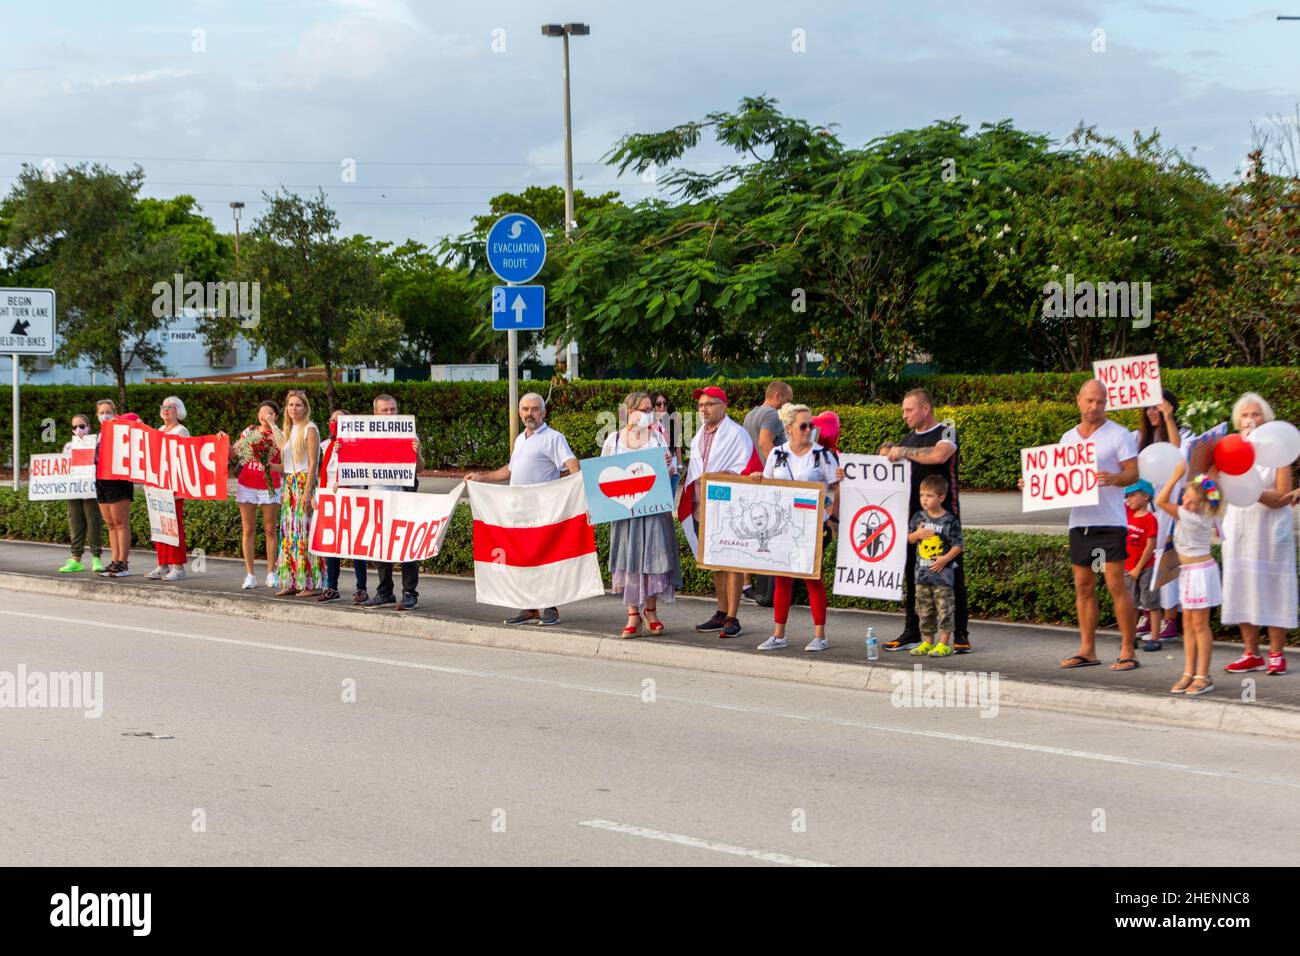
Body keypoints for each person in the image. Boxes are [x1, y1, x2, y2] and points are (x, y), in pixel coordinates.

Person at [1043, 380, 1141, 671]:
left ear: (1106, 403)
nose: (1094, 406)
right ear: (1078, 401)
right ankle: (1087, 649)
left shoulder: (1119, 435)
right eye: (1089, 401)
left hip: (1110, 521)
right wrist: (1035, 484)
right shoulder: (1067, 438)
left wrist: (1115, 478)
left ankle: (1127, 650)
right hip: (1080, 523)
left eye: (1099, 401)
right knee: (1083, 586)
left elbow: (1133, 472)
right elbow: (1054, 478)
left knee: (1115, 585)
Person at [466, 392, 580, 626]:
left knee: (545, 558)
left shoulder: (553, 438)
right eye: (525, 409)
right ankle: (529, 608)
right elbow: (510, 470)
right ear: (519, 412)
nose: (530, 413)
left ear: (543, 412)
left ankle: (550, 606)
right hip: (519, 512)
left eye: (535, 409)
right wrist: (482, 477)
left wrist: (576, 486)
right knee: (524, 559)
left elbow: (570, 463)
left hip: (543, 512)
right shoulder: (521, 439)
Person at [877, 388, 972, 653]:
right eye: (903, 410)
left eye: (909, 410)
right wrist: (886, 453)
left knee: (951, 574)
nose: (904, 415)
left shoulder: (948, 431)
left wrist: (901, 451)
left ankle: (960, 634)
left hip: (944, 518)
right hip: (913, 520)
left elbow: (939, 455)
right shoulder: (907, 438)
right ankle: (912, 631)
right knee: (912, 575)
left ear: (925, 409)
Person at [752, 403, 840, 652]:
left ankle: (820, 635)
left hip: (813, 524)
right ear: (789, 428)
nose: (810, 429)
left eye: (812, 425)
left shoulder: (822, 454)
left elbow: (838, 483)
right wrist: (758, 479)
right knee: (782, 578)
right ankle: (779, 634)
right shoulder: (777, 453)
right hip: (783, 524)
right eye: (804, 425)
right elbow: (767, 483)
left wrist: (834, 516)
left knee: (812, 578)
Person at [1221, 393, 1296, 676]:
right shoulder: (1230, 449)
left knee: (1274, 587)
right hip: (1239, 528)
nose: (1250, 419)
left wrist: (1251, 492)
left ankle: (1276, 653)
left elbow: (1282, 494)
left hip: (1269, 530)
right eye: (1244, 414)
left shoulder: (1278, 449)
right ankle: (1250, 653)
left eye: (1256, 414)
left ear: (1266, 419)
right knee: (1243, 585)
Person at [681, 385, 761, 638]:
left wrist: (722, 476)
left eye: (709, 404)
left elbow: (750, 468)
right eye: (701, 405)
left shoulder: (737, 434)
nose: (703, 409)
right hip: (703, 508)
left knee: (733, 562)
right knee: (715, 562)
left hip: (730, 507)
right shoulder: (697, 436)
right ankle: (721, 611)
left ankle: (733, 617)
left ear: (723, 406)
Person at [602, 392, 682, 637]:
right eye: (645, 409)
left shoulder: (656, 438)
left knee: (653, 557)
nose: (649, 414)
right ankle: (632, 614)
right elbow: (603, 474)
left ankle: (650, 610)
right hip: (625, 512)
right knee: (629, 558)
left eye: (651, 410)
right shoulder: (614, 440)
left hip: (653, 510)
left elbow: (669, 474)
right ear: (630, 410)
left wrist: (668, 463)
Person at [1155, 463, 1223, 696]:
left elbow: (1161, 501)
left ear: (1203, 504)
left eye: (1192, 500)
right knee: (1188, 625)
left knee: (1199, 625)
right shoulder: (1198, 512)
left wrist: (1174, 478)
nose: (1186, 503)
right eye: (1185, 498)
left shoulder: (1196, 517)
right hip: (1189, 573)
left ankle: (1203, 675)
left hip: (1200, 573)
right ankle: (1189, 672)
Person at [1132, 391, 1189, 641]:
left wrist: (1168, 419)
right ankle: (1149, 612)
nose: (1152, 412)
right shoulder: (1139, 438)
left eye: (1158, 407)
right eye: (1149, 408)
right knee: (1145, 560)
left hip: (1170, 505)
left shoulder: (1182, 434)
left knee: (1166, 558)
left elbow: (1178, 453)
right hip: (1147, 506)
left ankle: (1170, 618)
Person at [360, 394, 423, 611]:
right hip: (376, 498)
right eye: (385, 410)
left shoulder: (409, 433)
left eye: (393, 410)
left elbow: (420, 468)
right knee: (381, 546)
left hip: (402, 497)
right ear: (375, 413)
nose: (390, 414)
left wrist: (417, 453)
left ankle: (409, 593)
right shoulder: (365, 436)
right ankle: (385, 592)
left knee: (407, 545)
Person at [741, 381, 792, 604]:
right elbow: (764, 443)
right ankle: (765, 589)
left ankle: (747, 585)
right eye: (788, 401)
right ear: (778, 396)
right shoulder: (772, 414)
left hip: (751, 476)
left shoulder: (751, 414)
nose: (787, 407)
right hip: (766, 480)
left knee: (753, 532)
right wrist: (780, 468)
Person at [904, 474, 964, 657]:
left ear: (941, 497)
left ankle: (944, 643)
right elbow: (908, 538)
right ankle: (927, 642)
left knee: (944, 609)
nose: (924, 499)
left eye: (929, 496)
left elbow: (958, 545)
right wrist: (917, 535)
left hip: (942, 576)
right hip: (921, 575)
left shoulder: (949, 520)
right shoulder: (918, 517)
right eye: (922, 495)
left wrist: (945, 559)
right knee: (924, 610)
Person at [272, 389, 324, 597]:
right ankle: (292, 579)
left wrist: (307, 491)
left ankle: (310, 582)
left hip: (303, 482)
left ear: (305, 407)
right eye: (290, 405)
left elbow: (313, 463)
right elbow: (286, 465)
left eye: (298, 405)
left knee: (304, 532)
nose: (294, 408)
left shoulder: (309, 429)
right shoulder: (289, 430)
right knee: (289, 534)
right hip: (289, 484)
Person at [315, 408, 369, 604]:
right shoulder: (327, 445)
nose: (336, 424)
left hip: (351, 497)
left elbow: (363, 471)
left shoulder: (358, 444)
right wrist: (318, 494)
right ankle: (332, 587)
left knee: (355, 546)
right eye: (333, 420)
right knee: (332, 546)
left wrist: (347, 453)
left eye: (341, 421)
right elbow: (324, 474)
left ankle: (361, 588)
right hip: (330, 499)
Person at [234, 400, 282, 590]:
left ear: (275, 416)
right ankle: (250, 574)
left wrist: (272, 425)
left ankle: (271, 572)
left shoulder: (279, 432)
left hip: (269, 485)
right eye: (262, 413)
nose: (265, 416)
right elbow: (237, 450)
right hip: (247, 483)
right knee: (248, 529)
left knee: (270, 529)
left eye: (269, 413)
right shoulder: (250, 431)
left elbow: (283, 446)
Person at [142, 396, 191, 581]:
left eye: (171, 407)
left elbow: (184, 459)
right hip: (158, 485)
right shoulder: (160, 430)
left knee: (173, 526)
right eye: (164, 406)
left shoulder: (181, 431)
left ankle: (178, 567)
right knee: (159, 525)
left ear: (178, 411)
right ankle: (162, 564)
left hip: (173, 487)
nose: (166, 410)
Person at [57, 413, 104, 574]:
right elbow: (62, 466)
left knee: (93, 522)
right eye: (75, 427)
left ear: (89, 427)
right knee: (75, 523)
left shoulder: (96, 444)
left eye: (82, 426)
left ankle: (96, 558)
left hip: (90, 488)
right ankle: (76, 558)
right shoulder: (68, 446)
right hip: (73, 489)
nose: (78, 429)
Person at [93, 400, 135, 578]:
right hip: (101, 480)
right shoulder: (97, 435)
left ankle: (123, 563)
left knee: (120, 523)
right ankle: (114, 560)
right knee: (110, 524)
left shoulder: (121, 431)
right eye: (102, 412)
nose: (105, 415)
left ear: (115, 413)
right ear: (97, 415)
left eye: (108, 412)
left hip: (118, 480)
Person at [1123, 479, 1162, 651]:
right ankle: (1130, 637)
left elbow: (1150, 544)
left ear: (1145, 497)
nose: (1128, 499)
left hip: (1146, 567)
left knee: (1151, 603)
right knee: (1131, 604)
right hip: (1128, 567)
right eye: (1127, 496)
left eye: (1132, 495)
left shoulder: (1149, 519)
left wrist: (1139, 567)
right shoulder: (1128, 514)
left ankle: (1155, 638)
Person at [649, 391, 683, 500]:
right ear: (652, 406)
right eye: (658, 404)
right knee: (660, 503)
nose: (662, 406)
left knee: (670, 504)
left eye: (665, 403)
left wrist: (679, 466)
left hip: (673, 471)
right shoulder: (648, 426)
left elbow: (677, 444)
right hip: (660, 474)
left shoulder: (671, 421)